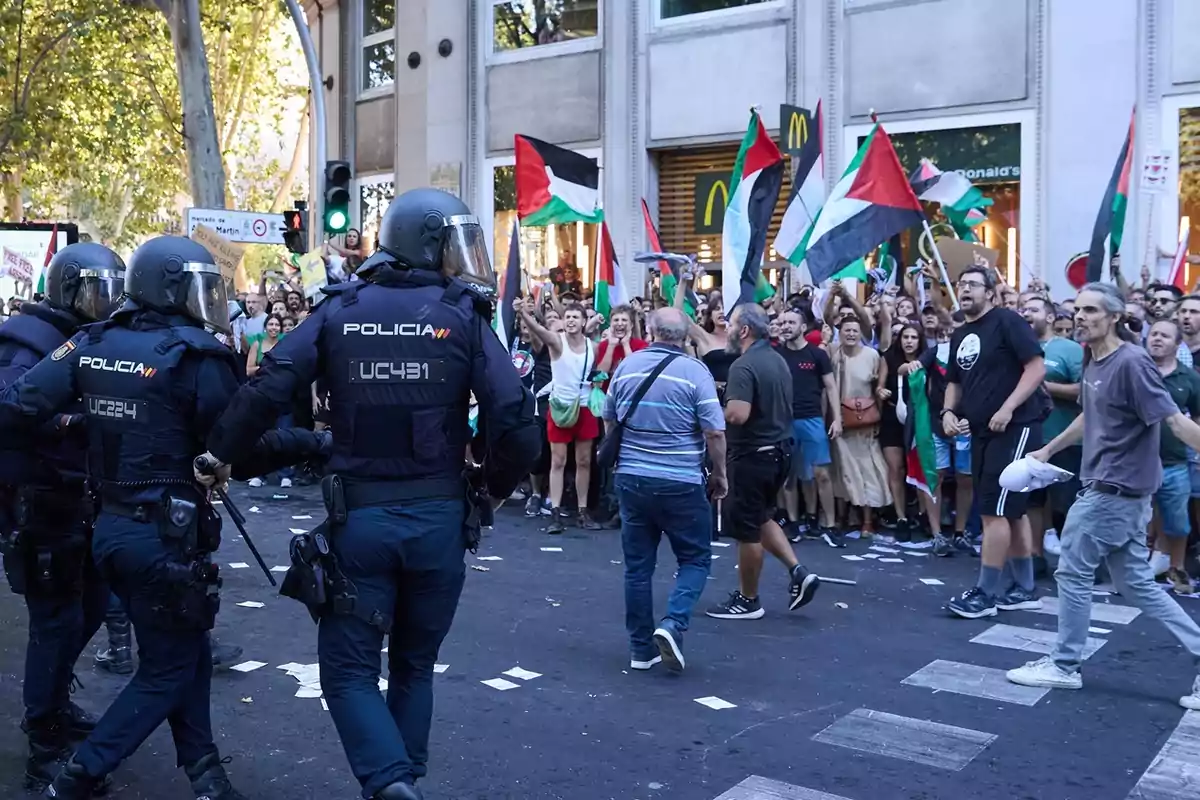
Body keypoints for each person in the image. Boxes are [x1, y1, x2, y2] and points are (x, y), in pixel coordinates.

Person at [197, 188, 541, 800]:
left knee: (350, 670)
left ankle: (389, 784)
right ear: (428, 245)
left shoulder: (339, 308)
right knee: (414, 663)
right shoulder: (463, 314)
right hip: (440, 519)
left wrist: (222, 455)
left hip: (360, 521)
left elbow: (269, 384)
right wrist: (487, 491)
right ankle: (401, 780)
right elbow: (514, 418)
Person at [0, 236, 247, 799]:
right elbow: (12, 409)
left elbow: (29, 404)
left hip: (105, 521)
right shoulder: (190, 354)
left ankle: (206, 774)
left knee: (179, 646)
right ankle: (69, 767)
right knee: (142, 656)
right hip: (110, 522)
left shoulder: (91, 340)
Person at [1005, 283, 1200, 707]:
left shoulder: (1132, 363)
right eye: (1077, 309)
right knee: (1137, 586)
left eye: (1091, 310)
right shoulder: (1094, 359)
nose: (1081, 316)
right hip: (1112, 489)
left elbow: (1174, 422)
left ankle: (1064, 663)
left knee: (1073, 573)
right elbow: (1090, 415)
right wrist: (1049, 449)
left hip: (1114, 492)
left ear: (1113, 317)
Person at [0, 244, 125, 791]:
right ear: (67, 289)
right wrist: (69, 423)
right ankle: (43, 743)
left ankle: (52, 700)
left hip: (83, 500)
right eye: (98, 290)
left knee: (96, 605)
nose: (107, 301)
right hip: (41, 502)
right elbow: (8, 406)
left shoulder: (92, 339)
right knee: (56, 624)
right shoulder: (29, 341)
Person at [606, 307, 726, 672]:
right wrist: (719, 473)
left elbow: (609, 417)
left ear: (650, 330)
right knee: (695, 558)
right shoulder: (695, 372)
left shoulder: (628, 367)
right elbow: (715, 431)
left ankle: (641, 649)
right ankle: (674, 622)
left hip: (632, 477)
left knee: (638, 567)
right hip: (680, 480)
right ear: (686, 335)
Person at [942, 266, 1047, 620]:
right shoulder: (960, 334)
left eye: (972, 284)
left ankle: (986, 594)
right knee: (1010, 510)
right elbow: (954, 381)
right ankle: (1025, 588)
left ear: (990, 292)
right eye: (961, 284)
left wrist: (1008, 407)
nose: (964, 289)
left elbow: (1036, 367)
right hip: (981, 430)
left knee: (994, 510)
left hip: (1016, 427)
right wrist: (947, 412)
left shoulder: (1007, 321)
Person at [706, 303, 819, 620]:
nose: (727, 330)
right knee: (761, 516)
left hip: (753, 457)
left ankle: (748, 599)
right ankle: (799, 572)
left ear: (744, 330)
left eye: (732, 325)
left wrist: (717, 405)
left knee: (746, 530)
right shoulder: (777, 359)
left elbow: (737, 415)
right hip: (779, 451)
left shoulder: (743, 365)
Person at [516, 299, 602, 532]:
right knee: (558, 461)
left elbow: (601, 369)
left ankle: (582, 512)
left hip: (584, 408)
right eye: (569, 317)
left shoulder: (593, 346)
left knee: (584, 461)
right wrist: (524, 314)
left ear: (584, 322)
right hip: (560, 408)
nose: (571, 320)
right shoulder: (557, 341)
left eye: (576, 317)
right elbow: (538, 330)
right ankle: (555, 512)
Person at [1021, 294, 1083, 578]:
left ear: (1049, 317)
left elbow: (1083, 391)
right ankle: (1035, 556)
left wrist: (1040, 384)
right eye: (1023, 309)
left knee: (1067, 504)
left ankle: (1077, 561)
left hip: (1064, 438)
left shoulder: (1069, 349)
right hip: (1028, 436)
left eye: (1033, 309)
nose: (1026, 313)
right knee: (1032, 500)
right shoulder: (1017, 349)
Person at [774, 308, 841, 545]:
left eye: (791, 322)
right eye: (783, 323)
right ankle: (793, 524)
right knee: (790, 477)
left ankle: (829, 525)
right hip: (784, 422)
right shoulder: (776, 355)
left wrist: (837, 418)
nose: (786, 326)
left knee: (822, 474)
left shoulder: (817, 355)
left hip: (812, 419)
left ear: (803, 327)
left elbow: (831, 388)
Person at [1145, 319, 1200, 592]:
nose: (1156, 339)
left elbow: (1197, 418)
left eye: (1165, 336)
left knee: (1178, 523)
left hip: (1174, 461)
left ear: (1177, 344)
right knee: (1134, 521)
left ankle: (1176, 569)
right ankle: (1134, 572)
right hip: (1135, 461)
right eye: (1153, 333)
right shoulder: (1136, 371)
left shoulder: (1189, 379)